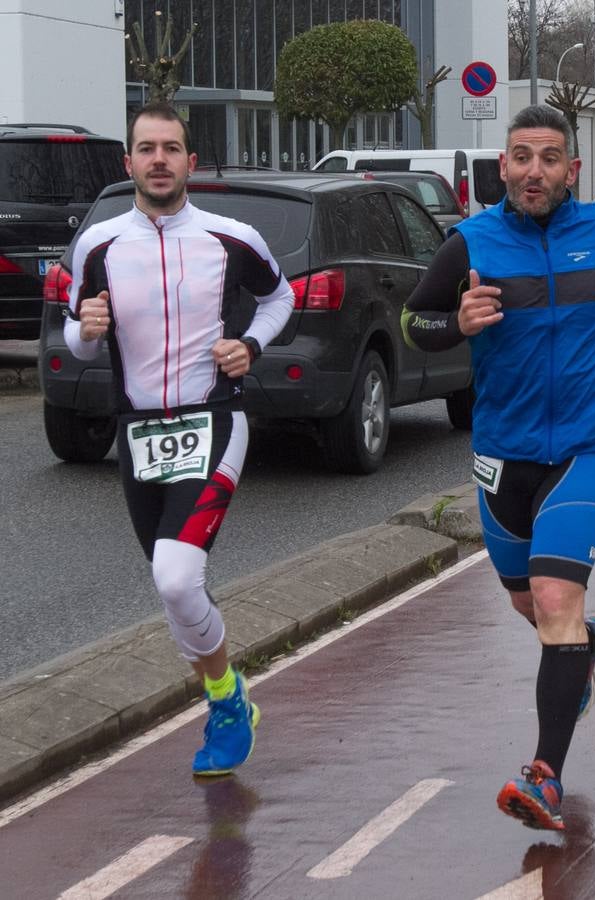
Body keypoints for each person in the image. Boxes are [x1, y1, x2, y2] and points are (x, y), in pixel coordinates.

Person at [401, 105, 595, 831]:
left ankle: (544, 776)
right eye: (522, 157)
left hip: (586, 442)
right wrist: (454, 323)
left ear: (571, 170)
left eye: (550, 158)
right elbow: (410, 322)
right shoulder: (471, 244)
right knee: (533, 608)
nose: (534, 171)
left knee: (552, 599)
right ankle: (586, 646)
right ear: (503, 167)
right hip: (501, 453)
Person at [64, 103, 293, 776]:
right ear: (127, 162)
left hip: (214, 419)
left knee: (174, 573)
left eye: (171, 148)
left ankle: (224, 705)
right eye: (146, 148)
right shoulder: (98, 244)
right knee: (174, 587)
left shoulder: (232, 236)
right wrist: (88, 329)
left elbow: (280, 297)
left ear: (191, 163)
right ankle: (227, 695)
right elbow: (77, 338)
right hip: (137, 432)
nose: (158, 159)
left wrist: (250, 344)